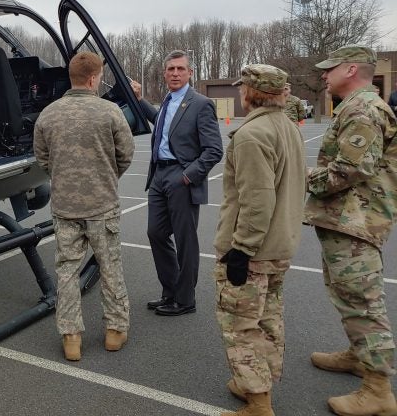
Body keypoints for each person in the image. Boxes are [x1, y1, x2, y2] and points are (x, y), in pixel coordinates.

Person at [305, 45, 397, 416]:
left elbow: (349, 170)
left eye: (330, 69)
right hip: (349, 219)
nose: (324, 76)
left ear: (352, 69)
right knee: (348, 295)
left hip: (356, 220)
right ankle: (359, 356)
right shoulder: (358, 107)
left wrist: (307, 178)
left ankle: (378, 390)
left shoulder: (363, 110)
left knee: (362, 301)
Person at [214, 64, 306, 416]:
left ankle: (258, 401)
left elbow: (257, 199)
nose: (240, 93)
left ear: (250, 92)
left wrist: (241, 249)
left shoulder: (253, 135)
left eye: (242, 88)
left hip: (254, 250)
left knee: (240, 323)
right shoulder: (287, 127)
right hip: (280, 244)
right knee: (268, 317)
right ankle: (257, 382)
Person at [34, 52, 135, 361]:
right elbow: (126, 154)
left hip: (65, 208)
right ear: (93, 78)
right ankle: (115, 331)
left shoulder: (48, 114)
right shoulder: (110, 112)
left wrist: (65, 179)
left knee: (66, 271)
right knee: (110, 267)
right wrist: (106, 176)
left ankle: (71, 337)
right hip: (102, 205)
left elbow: (42, 159)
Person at [132, 50, 223, 316]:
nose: (175, 73)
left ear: (190, 73)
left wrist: (188, 175)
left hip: (181, 177)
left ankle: (185, 300)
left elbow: (214, 150)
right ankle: (170, 290)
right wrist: (139, 100)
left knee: (186, 241)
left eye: (180, 69)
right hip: (159, 175)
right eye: (170, 69)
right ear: (164, 73)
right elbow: (161, 123)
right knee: (156, 233)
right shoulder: (168, 101)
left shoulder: (201, 103)